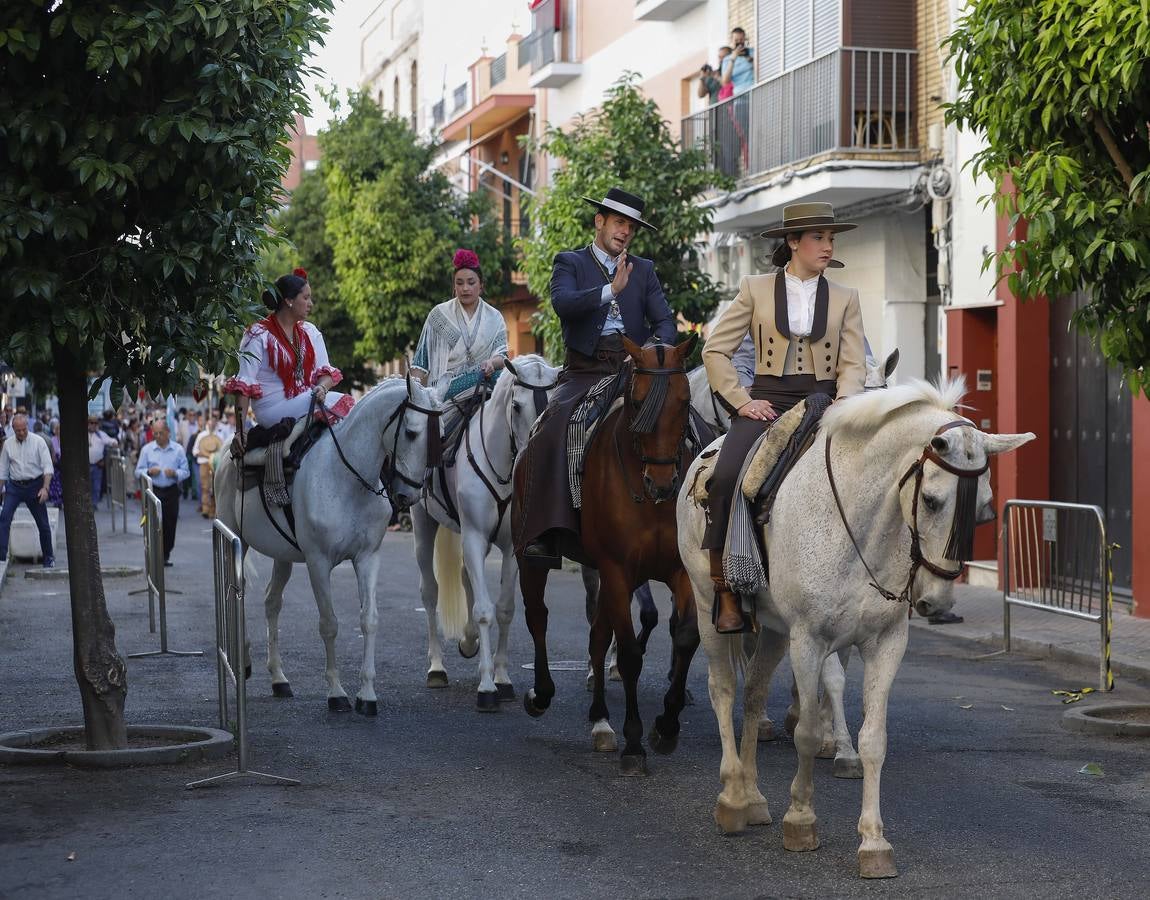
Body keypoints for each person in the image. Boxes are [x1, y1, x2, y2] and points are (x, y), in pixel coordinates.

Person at [701, 202, 866, 632]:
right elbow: (715, 350)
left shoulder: (847, 297)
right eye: (819, 238)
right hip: (767, 400)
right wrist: (741, 402)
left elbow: (852, 363)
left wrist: (845, 403)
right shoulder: (754, 288)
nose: (828, 246)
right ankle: (726, 589)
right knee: (725, 477)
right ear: (793, 242)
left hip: (825, 403)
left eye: (831, 239)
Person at [514, 187, 676, 564]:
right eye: (619, 223)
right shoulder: (569, 262)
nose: (625, 232)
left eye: (631, 228)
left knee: (684, 419)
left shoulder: (645, 270)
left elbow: (665, 322)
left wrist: (650, 351)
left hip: (634, 369)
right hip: (585, 370)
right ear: (599, 221)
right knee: (551, 430)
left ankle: (681, 517)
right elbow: (563, 304)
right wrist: (610, 290)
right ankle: (548, 530)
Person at [224, 268, 353, 454]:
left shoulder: (310, 332)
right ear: (289, 301)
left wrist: (322, 388)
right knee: (345, 402)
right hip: (271, 408)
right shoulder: (257, 334)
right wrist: (240, 430)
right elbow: (243, 384)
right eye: (306, 298)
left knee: (335, 402)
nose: (311, 304)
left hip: (306, 399)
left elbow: (326, 374)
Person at [411, 249, 508, 459]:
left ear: (481, 285)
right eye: (460, 282)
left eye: (471, 282)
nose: (465, 288)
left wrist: (492, 362)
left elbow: (503, 356)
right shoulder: (438, 315)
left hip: (487, 381)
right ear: (453, 286)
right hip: (446, 390)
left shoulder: (495, 317)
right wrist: (414, 395)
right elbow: (420, 364)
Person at [0, 414, 55, 568]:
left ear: (27, 427)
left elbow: (47, 467)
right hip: (15, 486)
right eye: (18, 431)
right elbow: (3, 470)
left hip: (35, 485)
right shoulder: (8, 444)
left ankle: (48, 558)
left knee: (43, 523)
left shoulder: (39, 442)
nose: (22, 433)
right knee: (4, 518)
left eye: (24, 430)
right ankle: (1, 557)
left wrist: (45, 488)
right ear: (13, 429)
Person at [135, 420, 189, 566]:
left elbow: (186, 471)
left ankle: (165, 554)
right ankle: (154, 554)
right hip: (154, 491)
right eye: (155, 433)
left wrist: (175, 473)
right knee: (153, 523)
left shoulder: (178, 450)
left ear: (168, 433)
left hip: (171, 491)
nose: (158, 436)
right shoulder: (147, 449)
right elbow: (137, 471)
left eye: (161, 433)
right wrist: (148, 471)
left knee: (170, 524)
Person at [191, 417, 224, 518]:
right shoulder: (201, 435)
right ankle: (205, 509)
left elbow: (223, 450)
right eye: (210, 423)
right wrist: (204, 454)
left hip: (216, 465)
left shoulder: (220, 435)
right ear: (207, 424)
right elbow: (195, 451)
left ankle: (214, 510)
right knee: (205, 487)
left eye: (213, 423)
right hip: (204, 464)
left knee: (215, 488)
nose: (211, 425)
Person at [87, 415, 118, 509]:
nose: (93, 425)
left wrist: (114, 443)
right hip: (86, 465)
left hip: (97, 465)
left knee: (96, 486)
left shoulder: (101, 434)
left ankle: (94, 504)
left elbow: (111, 440)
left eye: (95, 423)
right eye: (91, 422)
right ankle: (87, 503)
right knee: (87, 486)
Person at [47, 420, 63, 508]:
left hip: (63, 465)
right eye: (58, 429)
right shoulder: (52, 439)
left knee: (62, 483)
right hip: (55, 464)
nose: (59, 431)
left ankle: (61, 500)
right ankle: (57, 501)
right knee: (56, 484)